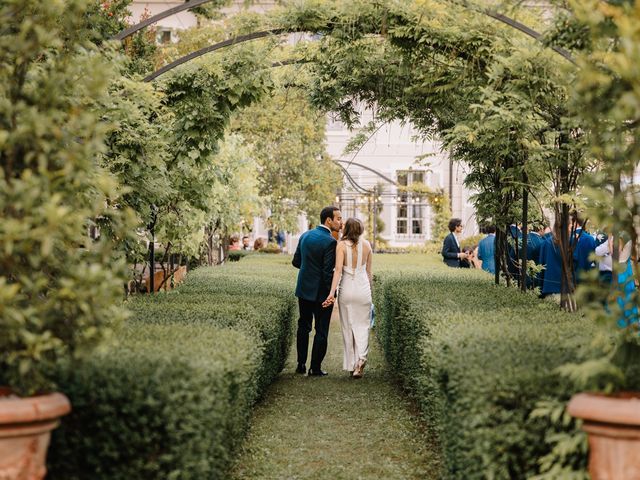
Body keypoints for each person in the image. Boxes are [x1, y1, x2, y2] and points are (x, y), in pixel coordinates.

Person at [292, 206, 342, 377]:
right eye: (338, 219)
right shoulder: (330, 242)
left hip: (304, 289)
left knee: (303, 326)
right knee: (321, 330)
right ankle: (315, 368)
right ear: (329, 220)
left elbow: (296, 262)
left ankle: (300, 364)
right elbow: (328, 272)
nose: (340, 222)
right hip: (321, 294)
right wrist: (331, 294)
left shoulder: (305, 235)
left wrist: (309, 270)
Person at [323, 218, 373, 379]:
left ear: (347, 230)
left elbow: (338, 271)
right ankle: (361, 360)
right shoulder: (367, 246)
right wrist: (370, 291)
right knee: (363, 325)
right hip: (363, 289)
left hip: (347, 290)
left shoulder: (341, 246)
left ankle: (352, 364)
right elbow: (369, 273)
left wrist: (331, 293)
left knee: (348, 326)